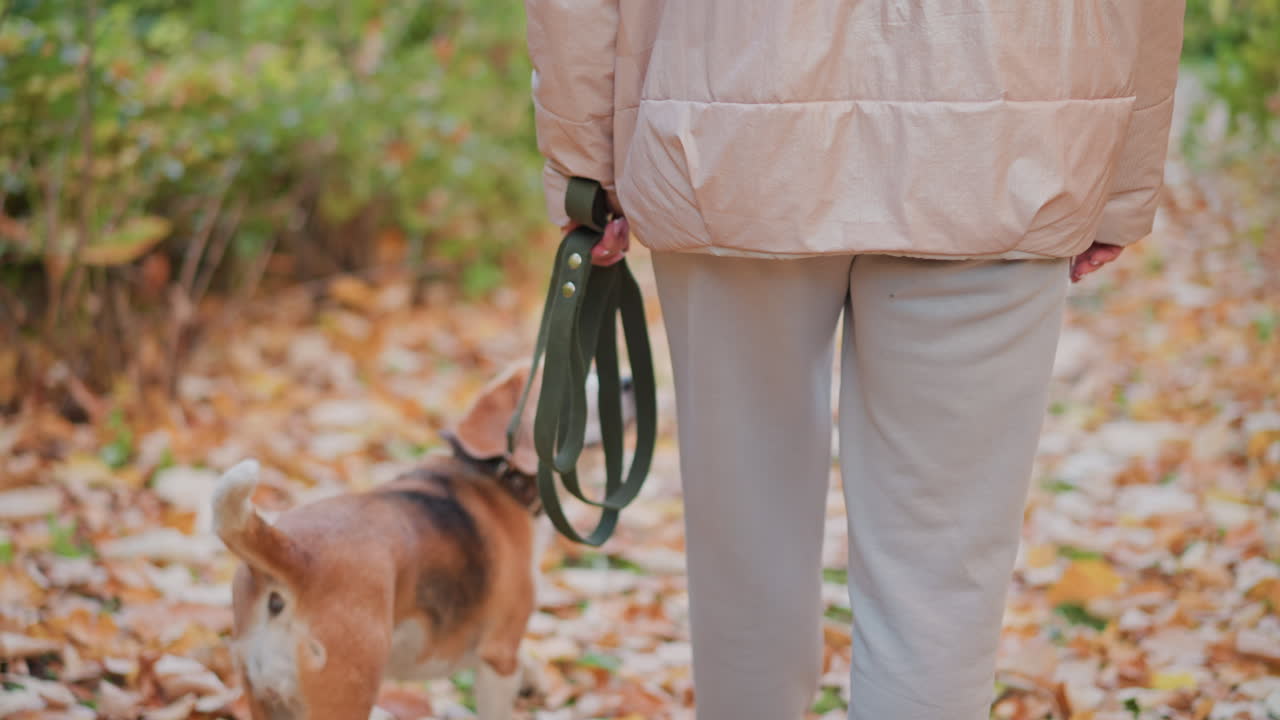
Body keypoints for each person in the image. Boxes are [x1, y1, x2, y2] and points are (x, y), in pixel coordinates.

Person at [523, 3, 1186, 719]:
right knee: (941, 579)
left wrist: (584, 169)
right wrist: (1123, 181)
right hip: (1009, 142)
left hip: (728, 140)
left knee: (744, 548)